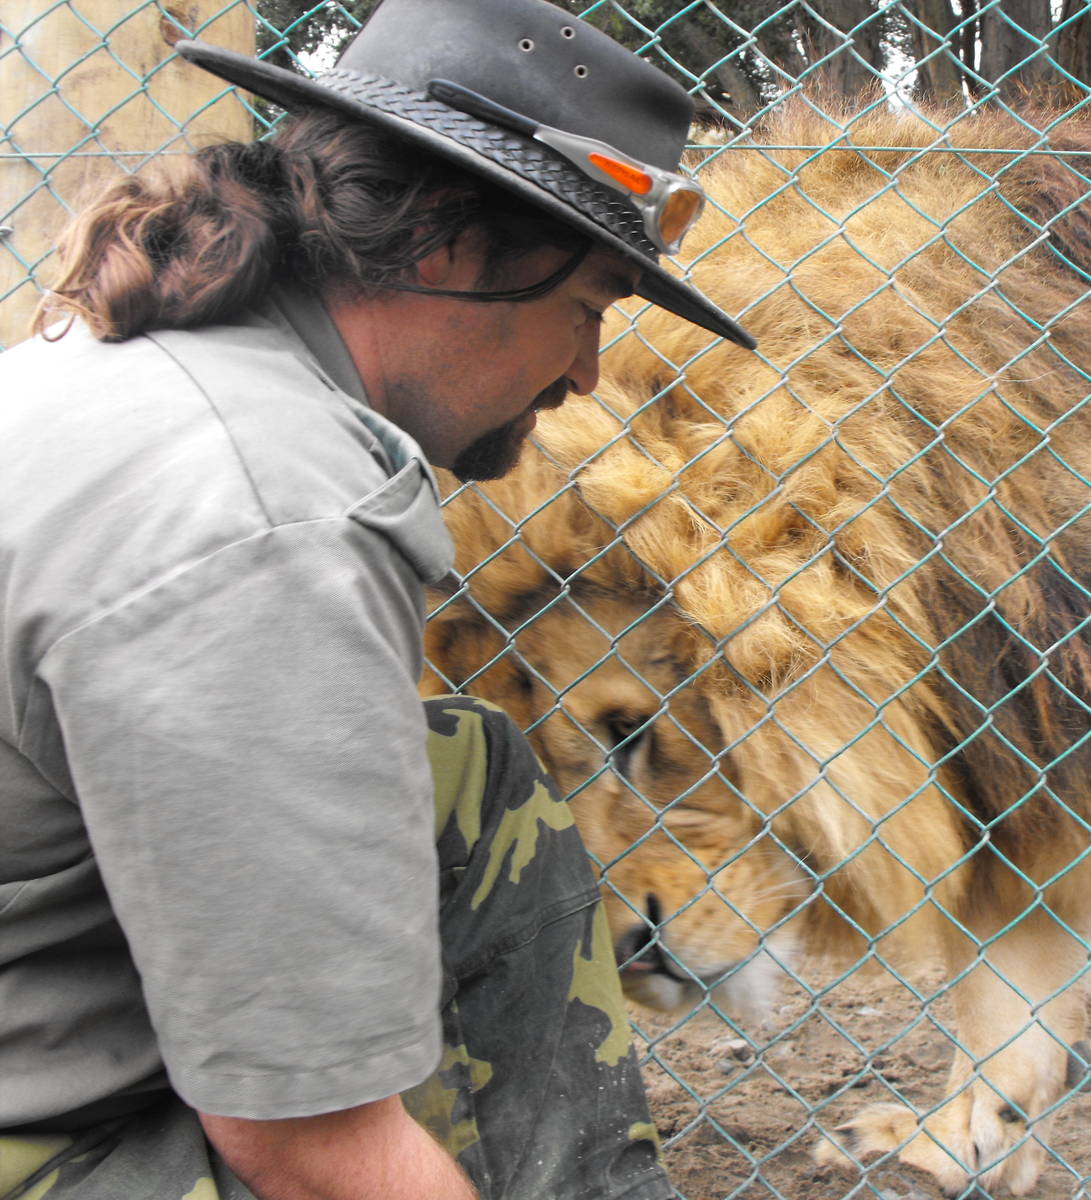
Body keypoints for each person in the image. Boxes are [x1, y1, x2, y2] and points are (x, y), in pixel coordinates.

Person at [0, 0, 753, 1196]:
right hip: (44, 1142)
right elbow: (308, 1150)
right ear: (447, 248)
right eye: (588, 308)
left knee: (472, 773)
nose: (585, 374)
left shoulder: (154, 363)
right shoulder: (272, 518)